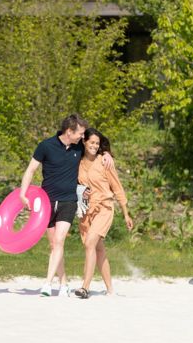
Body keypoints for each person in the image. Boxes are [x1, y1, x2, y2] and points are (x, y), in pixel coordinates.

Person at [18, 114, 110, 297]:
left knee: (60, 240)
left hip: (69, 201)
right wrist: (22, 193)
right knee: (54, 245)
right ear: (69, 131)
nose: (82, 137)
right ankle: (63, 283)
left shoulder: (78, 146)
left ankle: (47, 284)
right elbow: (30, 170)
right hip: (47, 202)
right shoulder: (45, 146)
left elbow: (95, 146)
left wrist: (107, 153)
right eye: (80, 133)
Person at [72, 128, 134, 299]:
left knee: (90, 243)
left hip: (104, 208)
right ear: (84, 142)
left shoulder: (104, 162)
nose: (94, 145)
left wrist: (126, 214)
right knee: (98, 250)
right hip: (86, 211)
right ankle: (110, 289)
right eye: (91, 142)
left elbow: (117, 188)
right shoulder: (77, 162)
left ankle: (85, 287)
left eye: (97, 143)